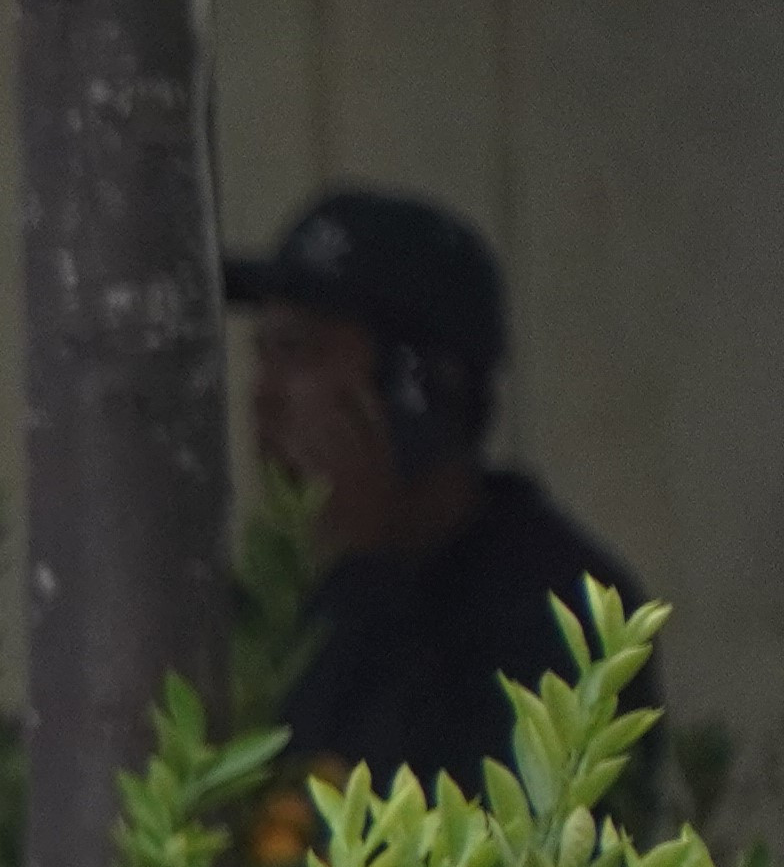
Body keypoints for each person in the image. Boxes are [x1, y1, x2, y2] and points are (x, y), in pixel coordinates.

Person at [231, 185, 644, 792]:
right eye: (261, 354)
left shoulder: (562, 611)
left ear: (415, 391)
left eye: (299, 352)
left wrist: (368, 576)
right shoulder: (274, 605)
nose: (263, 395)